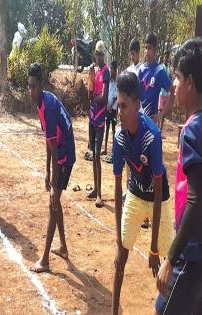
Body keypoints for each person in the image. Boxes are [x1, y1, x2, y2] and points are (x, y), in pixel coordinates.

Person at [111, 71, 174, 315]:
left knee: (170, 266)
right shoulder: (119, 138)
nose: (119, 112)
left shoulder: (152, 137)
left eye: (124, 107)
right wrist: (118, 241)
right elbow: (117, 188)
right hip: (135, 197)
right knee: (120, 260)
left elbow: (158, 195)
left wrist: (154, 248)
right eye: (118, 105)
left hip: (160, 200)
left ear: (137, 106)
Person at [154, 38, 202, 315]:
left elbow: (195, 200)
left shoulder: (193, 131)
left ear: (191, 83)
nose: (173, 84)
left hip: (192, 253)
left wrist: (170, 257)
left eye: (177, 77)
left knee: (163, 310)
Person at [27, 63, 76, 273]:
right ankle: (63, 247)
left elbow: (56, 149)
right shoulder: (41, 103)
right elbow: (49, 140)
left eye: (34, 86)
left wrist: (54, 181)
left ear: (42, 85)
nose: (31, 91)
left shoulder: (47, 107)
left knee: (53, 203)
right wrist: (47, 170)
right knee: (55, 201)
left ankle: (45, 259)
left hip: (66, 154)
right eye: (29, 86)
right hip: (60, 150)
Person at [87, 41, 109, 208]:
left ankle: (99, 192)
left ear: (104, 55)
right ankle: (95, 188)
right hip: (92, 117)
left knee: (96, 155)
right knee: (92, 155)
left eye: (100, 54)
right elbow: (89, 93)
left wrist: (94, 99)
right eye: (96, 54)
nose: (98, 56)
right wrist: (90, 75)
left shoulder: (106, 71)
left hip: (100, 119)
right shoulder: (94, 71)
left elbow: (104, 97)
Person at [138, 32, 175, 123]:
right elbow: (136, 93)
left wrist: (161, 115)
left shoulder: (160, 71)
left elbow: (172, 90)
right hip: (139, 117)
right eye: (145, 48)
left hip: (151, 121)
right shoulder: (141, 70)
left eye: (149, 48)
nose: (146, 51)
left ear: (155, 50)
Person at [102, 60, 118, 163]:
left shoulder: (118, 81)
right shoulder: (109, 80)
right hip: (107, 107)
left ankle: (114, 150)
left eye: (112, 69)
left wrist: (111, 104)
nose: (110, 70)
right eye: (110, 68)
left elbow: (117, 96)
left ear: (116, 70)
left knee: (113, 129)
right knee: (106, 127)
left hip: (114, 108)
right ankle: (106, 148)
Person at [158, 51, 171, 135]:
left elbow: (169, 79)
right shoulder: (161, 67)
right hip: (161, 93)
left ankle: (160, 130)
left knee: (164, 113)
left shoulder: (169, 68)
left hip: (166, 93)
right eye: (166, 56)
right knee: (159, 111)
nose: (166, 58)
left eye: (168, 57)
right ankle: (157, 128)